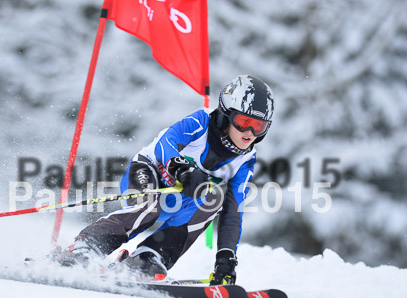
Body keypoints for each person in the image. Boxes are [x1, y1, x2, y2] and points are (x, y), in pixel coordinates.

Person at [54, 74, 274, 285]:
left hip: (181, 198)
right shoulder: (201, 122)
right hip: (147, 173)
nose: (250, 132)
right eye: (243, 121)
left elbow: (233, 212)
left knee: (214, 200)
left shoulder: (245, 160)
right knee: (150, 205)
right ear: (227, 114)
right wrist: (182, 168)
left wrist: (226, 259)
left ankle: (148, 257)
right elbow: (165, 144)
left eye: (259, 126)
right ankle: (86, 246)